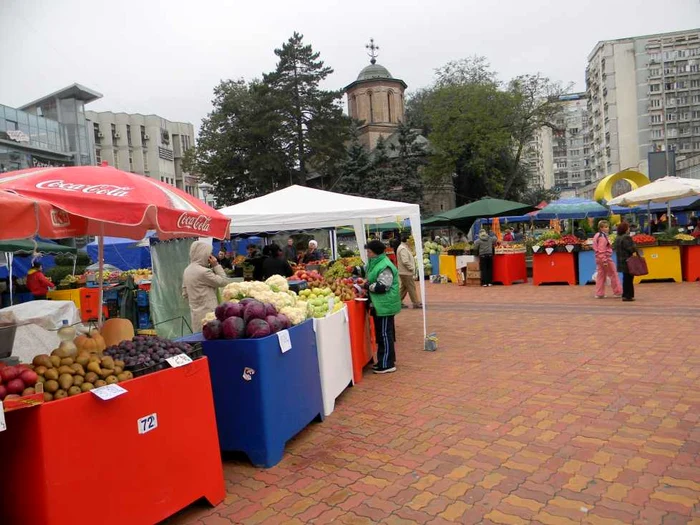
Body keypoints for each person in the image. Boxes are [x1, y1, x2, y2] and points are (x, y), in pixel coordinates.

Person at [359, 240, 401, 374]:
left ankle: (387, 364)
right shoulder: (375, 262)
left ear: (375, 252)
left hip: (384, 305)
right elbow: (368, 271)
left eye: (369, 251)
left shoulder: (385, 265)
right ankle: (384, 361)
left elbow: (382, 286)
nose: (367, 254)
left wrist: (366, 286)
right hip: (380, 304)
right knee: (381, 334)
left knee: (384, 334)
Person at [182, 241, 230, 331]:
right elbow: (224, 281)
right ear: (203, 254)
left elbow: (185, 293)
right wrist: (216, 265)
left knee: (199, 338)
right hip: (208, 313)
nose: (211, 256)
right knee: (210, 337)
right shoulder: (203, 272)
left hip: (195, 313)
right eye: (209, 254)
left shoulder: (187, 270)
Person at [592, 220, 622, 299]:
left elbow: (597, 248)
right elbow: (601, 250)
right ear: (601, 228)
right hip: (605, 258)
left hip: (598, 258)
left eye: (607, 227)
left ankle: (599, 293)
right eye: (605, 227)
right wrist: (604, 260)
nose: (607, 228)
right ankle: (618, 292)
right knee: (613, 274)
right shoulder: (603, 237)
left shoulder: (597, 235)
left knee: (601, 276)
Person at [393, 236, 421, 309]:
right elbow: (405, 260)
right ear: (407, 240)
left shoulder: (403, 247)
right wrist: (411, 268)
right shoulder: (403, 248)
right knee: (411, 287)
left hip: (404, 271)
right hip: (406, 272)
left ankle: (397, 302)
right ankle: (415, 302)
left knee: (404, 288)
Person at [614, 222, 639, 302]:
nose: (629, 229)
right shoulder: (626, 237)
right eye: (628, 228)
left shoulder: (617, 238)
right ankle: (628, 295)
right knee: (629, 279)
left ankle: (625, 294)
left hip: (621, 261)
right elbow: (631, 249)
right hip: (628, 261)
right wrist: (634, 245)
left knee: (626, 278)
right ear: (625, 229)